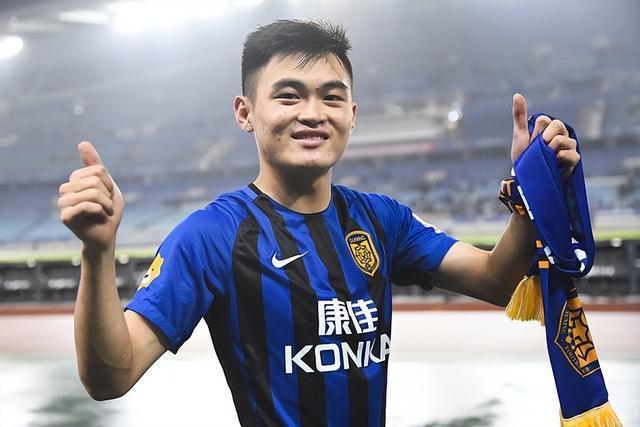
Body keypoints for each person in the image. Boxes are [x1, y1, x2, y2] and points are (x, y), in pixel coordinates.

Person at [57, 20, 580, 426]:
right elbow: (111, 376)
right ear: (245, 112)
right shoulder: (211, 236)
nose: (313, 113)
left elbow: (495, 279)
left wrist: (533, 191)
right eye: (289, 96)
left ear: (352, 114)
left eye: (331, 97)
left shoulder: (381, 218)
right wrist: (97, 253)